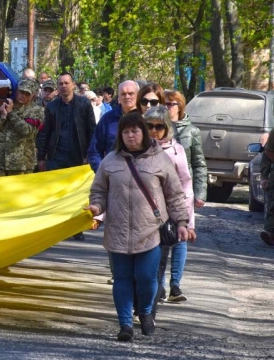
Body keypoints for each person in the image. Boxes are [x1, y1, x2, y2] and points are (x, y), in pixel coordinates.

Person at [86, 112, 189, 342]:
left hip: (150, 231)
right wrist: (96, 207)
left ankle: (144, 312)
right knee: (122, 278)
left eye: (135, 131)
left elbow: (174, 195)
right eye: (126, 131)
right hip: (117, 230)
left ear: (143, 132)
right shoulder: (110, 161)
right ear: (120, 135)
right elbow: (99, 191)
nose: (130, 135)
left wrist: (182, 222)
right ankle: (124, 325)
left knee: (146, 278)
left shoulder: (160, 159)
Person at [144, 106, 197, 304]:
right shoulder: (136, 151)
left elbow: (186, 185)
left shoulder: (177, 151)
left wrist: (187, 221)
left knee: (164, 252)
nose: (154, 131)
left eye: (159, 126)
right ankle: (154, 291)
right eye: (149, 126)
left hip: (169, 214)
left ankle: (165, 288)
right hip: (143, 213)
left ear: (167, 128)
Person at [37, 73, 96, 240]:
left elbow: (92, 130)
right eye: (60, 83)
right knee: (57, 193)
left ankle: (76, 228)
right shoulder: (52, 107)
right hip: (56, 155)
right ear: (57, 87)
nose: (64, 86)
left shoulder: (84, 104)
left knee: (76, 194)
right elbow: (45, 133)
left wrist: (89, 154)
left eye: (66, 83)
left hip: (78, 156)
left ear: (73, 85)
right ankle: (57, 228)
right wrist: (41, 157)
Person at [164, 89, 207, 297]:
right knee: (162, 237)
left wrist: (200, 192)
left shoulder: (192, 131)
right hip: (161, 191)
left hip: (184, 192)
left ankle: (175, 284)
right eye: (164, 104)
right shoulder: (157, 128)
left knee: (181, 237)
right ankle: (158, 286)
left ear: (180, 106)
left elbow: (199, 164)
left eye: (171, 104)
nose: (167, 107)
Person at [0, 78, 45, 176]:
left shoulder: (37, 110)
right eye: (21, 92)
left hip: (21, 163)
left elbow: (27, 131)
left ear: (33, 95)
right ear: (16, 90)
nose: (23, 96)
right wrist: (2, 117)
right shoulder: (1, 106)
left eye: (27, 94)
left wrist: (10, 113)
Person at [88, 80, 139, 173]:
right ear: (118, 96)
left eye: (131, 93)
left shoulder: (146, 119)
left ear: (138, 95)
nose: (127, 97)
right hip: (113, 180)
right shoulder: (107, 119)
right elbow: (94, 151)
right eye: (123, 94)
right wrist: (103, 173)